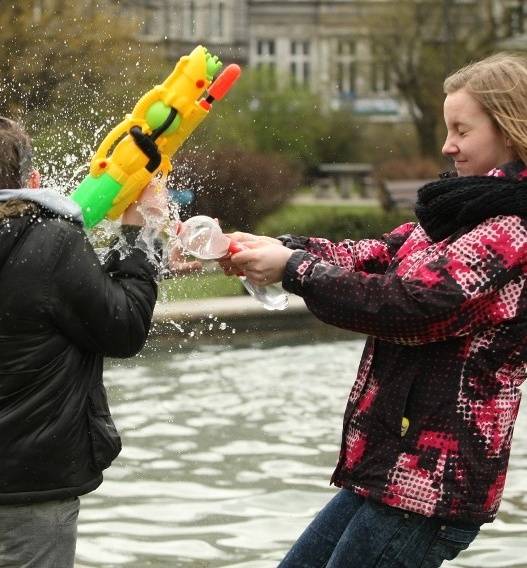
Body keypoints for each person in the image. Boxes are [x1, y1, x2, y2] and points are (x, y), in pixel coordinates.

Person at [220, 52, 527, 567]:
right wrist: (276, 246)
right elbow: (374, 256)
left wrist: (293, 268)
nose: (447, 145)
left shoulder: (512, 230)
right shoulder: (469, 211)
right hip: (390, 470)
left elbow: (412, 307)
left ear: (511, 130)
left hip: (431, 485)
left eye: (462, 130)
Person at [0, 113, 169, 567]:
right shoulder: (52, 243)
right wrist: (141, 235)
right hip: (28, 482)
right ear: (34, 179)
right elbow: (124, 328)